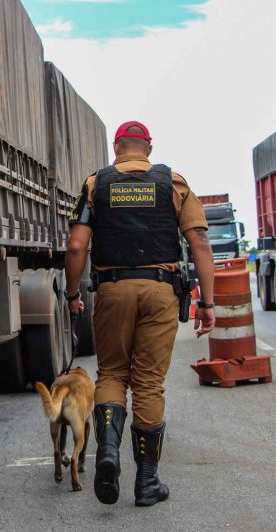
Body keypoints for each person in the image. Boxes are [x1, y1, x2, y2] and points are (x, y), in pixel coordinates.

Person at [64, 120, 216, 507]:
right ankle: (147, 483)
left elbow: (77, 247)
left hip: (113, 289)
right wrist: (208, 303)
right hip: (161, 289)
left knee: (112, 373)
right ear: (148, 147)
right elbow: (198, 240)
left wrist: (71, 295)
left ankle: (108, 453)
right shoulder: (174, 183)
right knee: (148, 383)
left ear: (117, 147)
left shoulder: (96, 184)